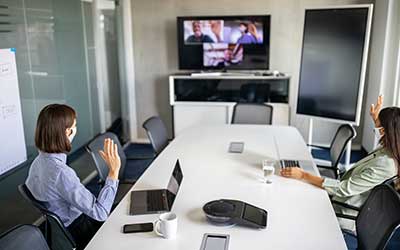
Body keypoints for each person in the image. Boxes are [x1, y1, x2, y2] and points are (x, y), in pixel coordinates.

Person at [281, 95, 399, 231]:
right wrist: (376, 118)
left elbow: (343, 189)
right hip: (339, 198)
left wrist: (303, 175)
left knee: (293, 204)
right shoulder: (390, 147)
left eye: (379, 125)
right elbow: (383, 130)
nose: (376, 127)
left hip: (342, 211)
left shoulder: (386, 164)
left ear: (385, 131)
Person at [25, 104, 121, 249]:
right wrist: (113, 172)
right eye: (74, 126)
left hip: (62, 229)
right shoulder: (61, 173)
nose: (75, 130)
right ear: (67, 132)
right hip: (81, 230)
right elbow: (100, 213)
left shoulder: (37, 163)